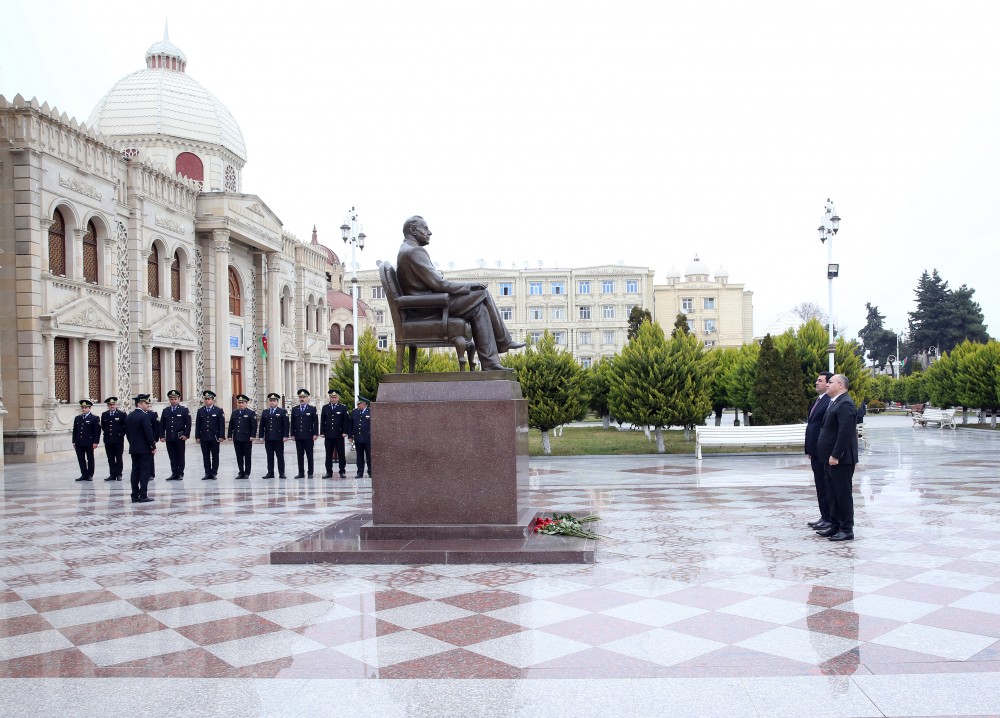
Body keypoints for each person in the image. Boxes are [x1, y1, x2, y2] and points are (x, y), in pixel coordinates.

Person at [396, 215, 524, 370]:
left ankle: (491, 363)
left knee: (479, 308)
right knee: (482, 293)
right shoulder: (415, 251)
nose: (430, 232)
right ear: (413, 230)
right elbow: (439, 284)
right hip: (430, 306)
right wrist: (469, 286)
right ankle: (503, 341)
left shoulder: (406, 250)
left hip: (427, 303)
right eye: (425, 228)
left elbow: (434, 281)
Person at [815, 374, 859, 541]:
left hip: (841, 459)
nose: (828, 385)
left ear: (840, 385)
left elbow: (845, 433)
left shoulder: (846, 403)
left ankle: (847, 528)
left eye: (831, 382)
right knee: (832, 493)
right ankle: (835, 524)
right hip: (829, 459)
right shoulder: (835, 402)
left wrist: (835, 455)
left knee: (842, 494)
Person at [805, 371, 834, 532]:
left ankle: (829, 517)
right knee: (819, 484)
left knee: (825, 484)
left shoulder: (830, 401)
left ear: (828, 383)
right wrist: (809, 448)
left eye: (820, 380)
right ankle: (824, 516)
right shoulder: (818, 400)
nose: (816, 383)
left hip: (823, 450)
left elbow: (824, 428)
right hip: (815, 450)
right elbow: (812, 425)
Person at [125, 394, 157, 503]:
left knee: (135, 471)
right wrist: (152, 446)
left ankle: (134, 494)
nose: (147, 405)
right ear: (139, 404)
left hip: (134, 448)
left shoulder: (129, 416)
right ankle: (143, 495)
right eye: (145, 403)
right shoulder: (144, 416)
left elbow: (128, 434)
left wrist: (132, 444)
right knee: (144, 472)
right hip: (144, 449)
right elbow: (148, 433)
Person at [160, 389, 191, 481]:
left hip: (179, 437)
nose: (173, 401)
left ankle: (180, 473)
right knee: (172, 456)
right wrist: (162, 436)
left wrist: (186, 435)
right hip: (169, 437)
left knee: (180, 456)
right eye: (171, 399)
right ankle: (174, 473)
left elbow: (188, 423)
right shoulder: (166, 410)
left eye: (175, 399)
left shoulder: (184, 410)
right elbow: (162, 424)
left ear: (178, 399)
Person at [194, 390, 225, 480]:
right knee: (205, 456)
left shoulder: (218, 410)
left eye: (209, 399)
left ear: (212, 400)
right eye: (205, 399)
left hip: (214, 437)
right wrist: (197, 436)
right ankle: (207, 472)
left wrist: (221, 436)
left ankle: (214, 472)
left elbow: (221, 424)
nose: (207, 400)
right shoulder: (200, 411)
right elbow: (198, 424)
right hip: (204, 437)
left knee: (215, 456)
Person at [257, 392, 289, 478]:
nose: (272, 402)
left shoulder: (282, 411)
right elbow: (262, 425)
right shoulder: (265, 412)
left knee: (280, 456)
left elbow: (286, 425)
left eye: (274, 401)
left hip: (278, 438)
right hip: (268, 438)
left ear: (277, 402)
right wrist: (261, 436)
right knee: (269, 456)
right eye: (271, 401)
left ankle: (281, 473)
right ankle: (270, 472)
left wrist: (285, 436)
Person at [321, 389, 351, 479]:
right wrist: (322, 432)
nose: (333, 399)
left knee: (341, 454)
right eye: (332, 397)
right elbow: (323, 421)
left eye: (335, 397)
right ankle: (329, 471)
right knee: (328, 454)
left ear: (338, 398)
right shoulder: (325, 407)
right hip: (328, 434)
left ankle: (342, 471)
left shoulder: (342, 407)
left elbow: (345, 421)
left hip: (339, 434)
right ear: (329, 398)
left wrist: (345, 432)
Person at [291, 389, 319, 478]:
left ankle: (310, 472)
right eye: (300, 397)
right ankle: (301, 472)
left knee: (309, 455)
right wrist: (292, 434)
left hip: (309, 436)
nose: (302, 399)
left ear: (307, 398)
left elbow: (315, 422)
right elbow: (293, 422)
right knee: (300, 456)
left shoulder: (312, 409)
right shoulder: (295, 409)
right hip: (298, 436)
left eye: (304, 397)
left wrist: (315, 434)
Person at [228, 394, 258, 479]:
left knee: (247, 456)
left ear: (246, 403)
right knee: (239, 456)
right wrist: (230, 435)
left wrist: (252, 435)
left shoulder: (250, 413)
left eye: (242, 403)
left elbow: (254, 426)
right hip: (237, 438)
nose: (240, 404)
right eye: (239, 402)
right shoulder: (235, 413)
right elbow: (231, 425)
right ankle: (241, 472)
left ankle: (247, 472)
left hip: (246, 438)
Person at [72, 399, 101, 481]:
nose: (84, 409)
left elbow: (96, 431)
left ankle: (90, 474)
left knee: (90, 458)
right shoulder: (78, 418)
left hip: (89, 442)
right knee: (81, 459)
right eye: (83, 407)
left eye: (85, 407)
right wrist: (74, 441)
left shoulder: (95, 418)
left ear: (89, 408)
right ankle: (83, 474)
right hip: (79, 442)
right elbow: (75, 430)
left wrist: (95, 442)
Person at [100, 396, 127, 482]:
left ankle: (119, 474)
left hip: (118, 440)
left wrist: (121, 434)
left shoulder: (121, 414)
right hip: (108, 439)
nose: (112, 406)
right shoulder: (104, 415)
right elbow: (104, 427)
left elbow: (125, 426)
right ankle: (112, 474)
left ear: (116, 405)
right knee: (110, 458)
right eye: (110, 405)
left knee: (118, 458)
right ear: (107, 405)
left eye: (113, 404)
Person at [349, 397, 372, 479]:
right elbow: (351, 424)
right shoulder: (355, 412)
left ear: (365, 404)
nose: (358, 405)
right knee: (359, 456)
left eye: (359, 404)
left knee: (369, 456)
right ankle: (360, 472)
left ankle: (370, 472)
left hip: (368, 438)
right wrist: (350, 435)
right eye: (357, 404)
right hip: (358, 437)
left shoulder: (370, 411)